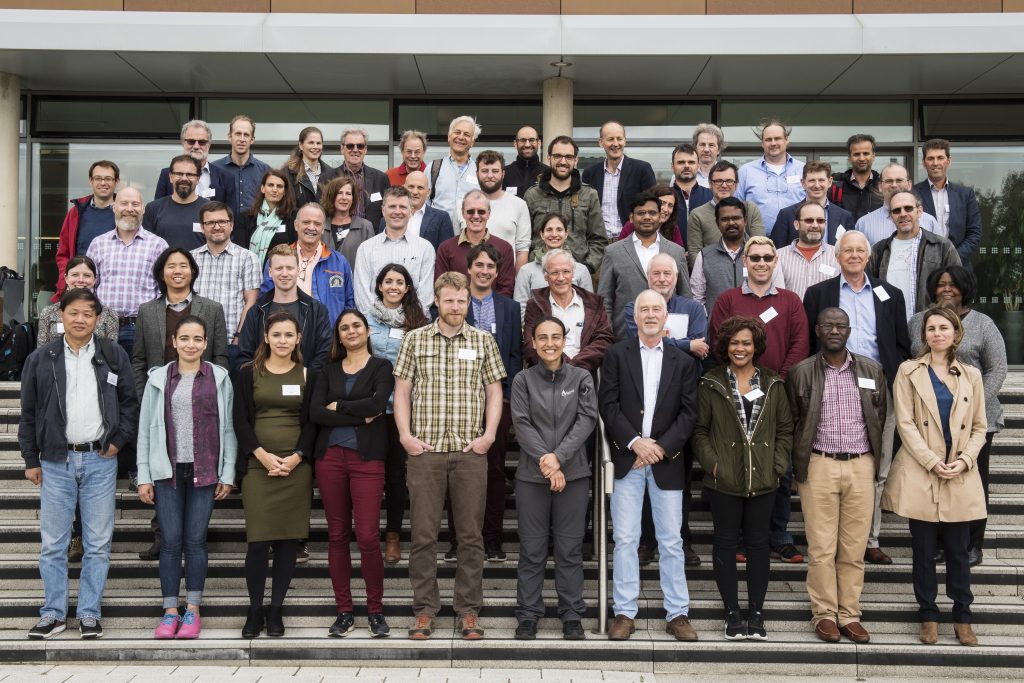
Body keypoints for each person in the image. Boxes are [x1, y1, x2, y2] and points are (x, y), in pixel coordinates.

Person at [393, 272, 506, 641]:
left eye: (462, 300)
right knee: (424, 536)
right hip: (425, 452)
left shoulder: (483, 341)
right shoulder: (415, 339)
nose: (456, 307)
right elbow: (403, 392)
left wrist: (488, 437)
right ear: (437, 302)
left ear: (468, 302)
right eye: (449, 300)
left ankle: (468, 611)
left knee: (471, 537)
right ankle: (425, 611)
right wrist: (406, 436)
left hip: (469, 452)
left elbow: (494, 392)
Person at [21, 289, 138, 640]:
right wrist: (31, 458)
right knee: (54, 543)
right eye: (74, 312)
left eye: (88, 313)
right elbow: (28, 414)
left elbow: (130, 404)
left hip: (99, 459)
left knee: (98, 542)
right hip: (56, 460)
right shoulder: (42, 358)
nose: (80, 319)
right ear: (62, 315)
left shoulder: (112, 354)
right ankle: (53, 613)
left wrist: (117, 442)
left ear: (98, 319)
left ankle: (89, 612)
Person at [803, 230, 913, 565]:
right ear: (837, 257)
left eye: (859, 250)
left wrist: (893, 381)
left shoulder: (889, 294)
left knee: (877, 464)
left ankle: (870, 538)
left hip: (878, 387)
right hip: (831, 383)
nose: (853, 255)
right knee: (830, 462)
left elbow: (900, 345)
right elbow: (809, 341)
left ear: (869, 256)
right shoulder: (819, 293)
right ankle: (833, 539)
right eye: (846, 250)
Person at [881, 305, 987, 647]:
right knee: (923, 550)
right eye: (931, 328)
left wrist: (966, 460)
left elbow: (980, 427)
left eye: (944, 327)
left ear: (956, 333)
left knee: (958, 550)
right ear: (923, 334)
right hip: (921, 469)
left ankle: (962, 617)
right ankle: (927, 614)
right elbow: (905, 422)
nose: (937, 333)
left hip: (959, 471)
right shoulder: (908, 371)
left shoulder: (971, 374)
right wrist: (930, 460)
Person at [599, 290, 700, 642]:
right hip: (629, 459)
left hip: (666, 461)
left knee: (671, 541)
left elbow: (689, 414)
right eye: (645, 309)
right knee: (625, 539)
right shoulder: (615, 355)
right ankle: (624, 613)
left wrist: (660, 446)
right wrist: (634, 442)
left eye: (657, 308)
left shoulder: (683, 361)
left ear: (666, 316)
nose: (651, 314)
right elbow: (608, 405)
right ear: (635, 316)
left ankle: (678, 614)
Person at [786, 307, 887, 644]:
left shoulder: (872, 370)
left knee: (854, 548)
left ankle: (849, 614)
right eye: (827, 324)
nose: (834, 330)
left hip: (860, 464)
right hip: (819, 464)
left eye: (840, 325)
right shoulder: (801, 372)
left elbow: (880, 415)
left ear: (849, 330)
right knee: (822, 547)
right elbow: (793, 421)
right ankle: (825, 614)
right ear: (817, 329)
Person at [135, 315, 236, 640]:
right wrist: (144, 475)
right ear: (174, 342)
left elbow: (228, 429)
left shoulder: (219, 378)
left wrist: (229, 472)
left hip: (206, 471)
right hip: (168, 471)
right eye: (185, 338)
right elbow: (146, 430)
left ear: (205, 343)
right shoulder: (159, 378)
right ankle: (169, 612)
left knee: (195, 542)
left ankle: (192, 610)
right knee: (170, 542)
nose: (191, 344)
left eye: (197, 339)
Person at [693, 315, 793, 641]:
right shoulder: (711, 382)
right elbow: (700, 431)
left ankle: (757, 613)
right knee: (723, 544)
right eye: (734, 343)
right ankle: (732, 613)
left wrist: (776, 465)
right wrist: (714, 465)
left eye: (746, 343)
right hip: (725, 481)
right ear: (726, 345)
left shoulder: (773, 382)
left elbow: (784, 430)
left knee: (758, 546)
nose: (740, 348)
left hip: (763, 480)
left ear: (756, 346)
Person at [709, 236, 808, 563]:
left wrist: (774, 383)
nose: (762, 263)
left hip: (778, 397)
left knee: (780, 468)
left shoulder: (791, 301)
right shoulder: (728, 299)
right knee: (738, 466)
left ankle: (778, 535)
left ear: (775, 262)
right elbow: (719, 343)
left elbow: (799, 345)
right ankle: (740, 539)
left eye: (768, 257)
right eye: (755, 258)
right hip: (735, 397)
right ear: (745, 262)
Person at [131, 246, 229, 561]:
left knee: (197, 465)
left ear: (192, 272)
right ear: (162, 273)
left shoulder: (211, 309)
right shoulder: (147, 310)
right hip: (161, 400)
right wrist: (147, 394)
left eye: (183, 265)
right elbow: (140, 359)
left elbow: (221, 356)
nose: (177, 271)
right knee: (165, 464)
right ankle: (165, 537)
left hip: (202, 400)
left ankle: (196, 537)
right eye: (171, 266)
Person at [908, 266, 1006, 566]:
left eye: (953, 285)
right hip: (931, 420)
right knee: (934, 479)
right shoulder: (917, 322)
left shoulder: (983, 323)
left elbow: (998, 369)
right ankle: (939, 543)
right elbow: (912, 363)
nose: (946, 289)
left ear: (965, 288)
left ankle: (972, 544)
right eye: (940, 285)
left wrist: (971, 404)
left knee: (971, 480)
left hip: (977, 420)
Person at [309, 309, 395, 638]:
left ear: (367, 330)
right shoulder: (325, 371)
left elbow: (377, 406)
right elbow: (316, 413)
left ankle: (375, 610)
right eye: (344, 327)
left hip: (367, 460)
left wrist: (340, 408)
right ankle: (344, 610)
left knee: (369, 537)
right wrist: (359, 413)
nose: (351, 331)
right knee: (336, 535)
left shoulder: (381, 366)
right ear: (339, 336)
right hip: (329, 459)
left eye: (356, 325)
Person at [511, 316, 597, 642]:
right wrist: (549, 465)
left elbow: (586, 419)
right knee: (532, 551)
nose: (549, 343)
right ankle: (528, 615)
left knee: (570, 550)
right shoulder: (522, 380)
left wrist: (558, 459)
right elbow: (521, 423)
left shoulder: (582, 377)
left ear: (565, 340)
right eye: (542, 337)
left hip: (573, 476)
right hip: (532, 478)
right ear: (533, 342)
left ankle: (572, 615)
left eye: (556, 337)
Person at [622, 252, 709, 566]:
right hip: (642, 409)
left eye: (667, 274)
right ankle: (647, 542)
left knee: (680, 482)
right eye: (656, 273)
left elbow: (703, 346)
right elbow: (641, 338)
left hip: (679, 408)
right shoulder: (635, 307)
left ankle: (681, 541)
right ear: (648, 277)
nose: (661, 279)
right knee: (644, 479)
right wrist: (685, 343)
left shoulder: (693, 308)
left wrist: (675, 342)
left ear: (677, 277)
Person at [234, 311, 316, 639]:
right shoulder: (247, 373)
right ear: (266, 338)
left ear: (298, 339)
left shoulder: (309, 374)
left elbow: (312, 424)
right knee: (258, 543)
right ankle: (255, 609)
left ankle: (277, 610)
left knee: (286, 542)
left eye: (289, 335)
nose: (283, 340)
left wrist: (296, 458)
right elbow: (240, 420)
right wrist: (262, 455)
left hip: (296, 469)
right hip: (259, 466)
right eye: (277, 334)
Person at [444, 244, 522, 563]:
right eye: (479, 264)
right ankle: (457, 540)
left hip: (495, 401)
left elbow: (515, 356)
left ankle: (491, 538)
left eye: (491, 266)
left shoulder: (509, 308)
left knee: (494, 471)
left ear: (497, 271)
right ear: (470, 268)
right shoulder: (454, 304)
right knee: (455, 472)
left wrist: (504, 397)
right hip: (459, 401)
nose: (485, 270)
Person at [366, 264, 430, 564]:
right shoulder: (363, 320)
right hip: (370, 410)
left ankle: (393, 535)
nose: (393, 286)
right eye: (388, 281)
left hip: (404, 411)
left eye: (399, 282)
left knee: (396, 476)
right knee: (368, 473)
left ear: (407, 288)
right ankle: (366, 534)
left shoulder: (420, 322)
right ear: (379, 286)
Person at [86, 187, 168, 361]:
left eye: (135, 204)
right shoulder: (98, 244)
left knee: (138, 382)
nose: (129, 208)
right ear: (114, 207)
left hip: (142, 327)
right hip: (103, 326)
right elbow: (89, 287)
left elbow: (164, 290)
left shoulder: (158, 245)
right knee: (103, 381)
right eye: (123, 203)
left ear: (143, 209)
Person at [598, 191, 691, 340]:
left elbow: (685, 295)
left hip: (670, 338)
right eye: (641, 213)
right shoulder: (613, 252)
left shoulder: (676, 251)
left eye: (652, 213)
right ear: (631, 218)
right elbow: (605, 299)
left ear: (660, 217)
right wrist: (608, 335)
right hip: (624, 337)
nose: (647, 217)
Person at [191, 202, 262, 374]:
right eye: (210, 223)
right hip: (196, 345)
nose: (217, 227)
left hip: (232, 343)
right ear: (202, 227)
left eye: (222, 222)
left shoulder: (248, 258)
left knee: (232, 398)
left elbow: (251, 301)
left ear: (231, 225)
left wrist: (239, 337)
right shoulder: (190, 259)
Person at [867, 189, 962, 320]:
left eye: (908, 208)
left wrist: (943, 322)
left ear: (919, 211)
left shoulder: (942, 246)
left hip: (929, 330)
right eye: (896, 210)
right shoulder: (878, 250)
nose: (902, 214)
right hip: (891, 331)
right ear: (891, 216)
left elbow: (958, 290)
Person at [237, 244, 332, 371]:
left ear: (298, 270)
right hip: (265, 386)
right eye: (279, 268)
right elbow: (245, 354)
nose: (284, 273)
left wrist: (306, 378)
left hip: (306, 385)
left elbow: (324, 353)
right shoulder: (256, 311)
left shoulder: (316, 310)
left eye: (289, 268)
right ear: (270, 272)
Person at [258, 204, 355, 326]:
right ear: (296, 225)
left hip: (329, 339)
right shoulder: (278, 260)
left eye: (317, 224)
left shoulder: (339, 262)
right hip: (287, 338)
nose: (311, 227)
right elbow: (266, 300)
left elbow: (349, 305)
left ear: (323, 228)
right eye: (306, 222)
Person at [523, 135, 607, 276]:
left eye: (568, 157)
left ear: (576, 160)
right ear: (548, 158)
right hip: (539, 272)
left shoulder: (589, 194)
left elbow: (599, 240)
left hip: (576, 272)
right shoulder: (532, 195)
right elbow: (524, 240)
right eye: (557, 156)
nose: (563, 161)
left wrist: (587, 268)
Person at [522, 249, 614, 374]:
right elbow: (530, 345)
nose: (561, 278)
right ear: (545, 276)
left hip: (584, 374)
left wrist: (575, 368)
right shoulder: (534, 305)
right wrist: (562, 367)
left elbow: (604, 340)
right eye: (554, 273)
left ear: (573, 273)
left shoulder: (593, 303)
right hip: (546, 377)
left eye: (566, 271)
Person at [690, 197, 781, 315]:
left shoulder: (764, 254)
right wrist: (709, 323)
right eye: (725, 219)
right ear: (717, 223)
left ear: (745, 220)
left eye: (736, 218)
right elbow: (697, 298)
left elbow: (777, 293)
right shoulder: (705, 256)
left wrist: (764, 322)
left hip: (757, 329)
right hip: (719, 329)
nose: (731, 223)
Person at [52, 160, 119, 302]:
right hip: (79, 288)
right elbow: (63, 253)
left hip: (112, 289)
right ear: (90, 181)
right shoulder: (76, 212)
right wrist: (66, 281)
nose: (103, 183)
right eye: (98, 178)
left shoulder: (125, 212)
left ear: (116, 181)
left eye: (108, 179)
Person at [581, 121, 657, 241]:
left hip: (631, 241)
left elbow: (653, 207)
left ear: (625, 141)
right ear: (601, 142)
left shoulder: (642, 170)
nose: (615, 144)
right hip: (598, 243)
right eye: (610, 139)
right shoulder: (590, 173)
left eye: (619, 139)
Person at [914, 139, 983, 268]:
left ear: (948, 161)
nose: (935, 163)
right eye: (930, 158)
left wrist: (953, 257)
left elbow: (974, 233)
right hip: (923, 267)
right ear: (924, 163)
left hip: (958, 266)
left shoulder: (965, 194)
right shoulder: (913, 193)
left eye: (940, 158)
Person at [434, 190, 516, 298]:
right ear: (463, 213)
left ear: (489, 214)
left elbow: (506, 290)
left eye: (481, 211)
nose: (476, 216)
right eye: (470, 211)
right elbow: (441, 287)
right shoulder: (446, 248)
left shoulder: (504, 248)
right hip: (456, 312)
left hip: (492, 313)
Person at [686, 160, 766, 269]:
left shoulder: (750, 209)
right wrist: (711, 275)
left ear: (736, 184)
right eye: (718, 181)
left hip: (747, 272)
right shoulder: (697, 215)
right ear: (710, 184)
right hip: (713, 273)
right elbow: (695, 252)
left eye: (729, 181)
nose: (724, 185)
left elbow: (760, 244)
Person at [514, 212, 593, 320]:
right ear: (542, 234)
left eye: (559, 230)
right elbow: (521, 308)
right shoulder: (526, 271)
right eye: (549, 230)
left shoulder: (581, 270)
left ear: (566, 233)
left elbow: (589, 308)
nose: (554, 234)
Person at [735, 119, 805, 234]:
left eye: (777, 138)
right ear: (762, 143)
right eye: (768, 140)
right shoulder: (745, 172)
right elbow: (737, 208)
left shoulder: (802, 170)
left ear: (787, 140)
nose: (773, 143)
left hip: (797, 240)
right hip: (758, 241)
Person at [468, 150, 532, 269]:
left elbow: (522, 250)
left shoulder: (519, 205)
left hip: (506, 282)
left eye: (495, 171)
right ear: (477, 174)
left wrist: (517, 284)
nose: (490, 176)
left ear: (503, 174)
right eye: (484, 171)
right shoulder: (464, 206)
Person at [38, 256, 118, 348]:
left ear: (94, 280)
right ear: (66, 278)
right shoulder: (48, 313)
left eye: (86, 275)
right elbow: (41, 354)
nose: (80, 280)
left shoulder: (110, 314)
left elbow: (111, 355)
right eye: (75, 275)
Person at [770, 161, 854, 249]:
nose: (817, 185)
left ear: (830, 182)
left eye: (821, 180)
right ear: (803, 183)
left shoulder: (845, 217)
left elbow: (849, 249)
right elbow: (777, 251)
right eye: (812, 180)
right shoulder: (786, 215)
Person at [854, 163, 940, 247]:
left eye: (899, 180)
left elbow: (940, 254)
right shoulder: (864, 224)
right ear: (880, 186)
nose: (894, 185)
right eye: (888, 181)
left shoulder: (929, 222)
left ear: (909, 185)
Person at [774, 202, 840, 300]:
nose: (815, 225)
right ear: (796, 225)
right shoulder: (778, 256)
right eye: (809, 220)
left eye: (820, 221)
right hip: (790, 315)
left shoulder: (838, 256)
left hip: (825, 314)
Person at [153, 120, 229, 203]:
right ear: (183, 143)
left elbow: (230, 213)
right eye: (191, 141)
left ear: (209, 145)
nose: (196, 146)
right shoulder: (167, 174)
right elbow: (158, 209)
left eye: (202, 142)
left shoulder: (225, 177)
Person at [144, 155, 210, 251]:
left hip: (198, 266)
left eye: (190, 174)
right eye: (179, 174)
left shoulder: (210, 209)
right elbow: (147, 246)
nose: (184, 178)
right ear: (171, 177)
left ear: (198, 178)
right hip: (163, 266)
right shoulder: (153, 208)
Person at [213, 114, 271, 221]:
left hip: (255, 231)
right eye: (238, 134)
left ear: (252, 139)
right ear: (229, 137)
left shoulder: (265, 171)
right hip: (223, 230)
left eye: (246, 135)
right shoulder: (214, 169)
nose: (242, 139)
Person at [234, 169, 297, 266]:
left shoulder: (292, 217)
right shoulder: (246, 217)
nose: (275, 189)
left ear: (284, 191)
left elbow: (294, 248)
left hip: (281, 273)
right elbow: (239, 250)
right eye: (270, 185)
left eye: (279, 186)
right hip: (250, 272)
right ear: (262, 188)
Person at [428, 115, 482, 218]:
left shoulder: (479, 170)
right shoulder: (433, 168)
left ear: (472, 142)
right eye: (457, 132)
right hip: (439, 232)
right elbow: (424, 203)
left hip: (468, 232)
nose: (461, 137)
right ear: (449, 136)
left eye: (466, 134)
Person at [336, 127, 389, 227]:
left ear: (365, 150)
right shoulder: (327, 178)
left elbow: (386, 213)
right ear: (342, 149)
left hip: (372, 238)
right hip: (339, 239)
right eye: (350, 146)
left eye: (360, 146)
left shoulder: (381, 178)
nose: (355, 150)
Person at [320, 176, 375, 267]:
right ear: (332, 196)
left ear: (353, 198)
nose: (344, 198)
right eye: (339, 193)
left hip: (355, 280)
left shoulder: (365, 227)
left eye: (348, 194)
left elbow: (371, 261)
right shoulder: (320, 226)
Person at [828, 134, 883, 223]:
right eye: (856, 154)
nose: (861, 158)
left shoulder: (883, 186)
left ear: (873, 156)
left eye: (866, 153)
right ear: (849, 158)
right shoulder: (836, 186)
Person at [282, 126, 337, 208]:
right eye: (311, 143)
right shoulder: (288, 172)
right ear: (301, 145)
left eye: (318, 143)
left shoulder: (332, 174)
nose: (315, 147)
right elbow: (286, 205)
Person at [401, 170, 456, 249]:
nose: (415, 192)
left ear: (428, 192)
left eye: (420, 188)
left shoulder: (441, 218)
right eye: (411, 187)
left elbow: (447, 253)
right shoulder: (390, 217)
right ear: (403, 188)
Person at [618, 183, 684, 246]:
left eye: (670, 205)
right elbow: (619, 252)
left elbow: (679, 255)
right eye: (662, 203)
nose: (666, 209)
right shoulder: (631, 225)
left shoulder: (673, 228)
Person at [503, 126, 549, 198]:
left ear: (539, 143)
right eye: (523, 140)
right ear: (515, 144)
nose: (527, 145)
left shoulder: (549, 173)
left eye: (532, 140)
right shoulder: (504, 173)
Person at [692, 122, 726, 188]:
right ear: (695, 148)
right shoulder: (683, 174)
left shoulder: (727, 175)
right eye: (702, 144)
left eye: (711, 145)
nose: (706, 150)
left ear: (719, 149)